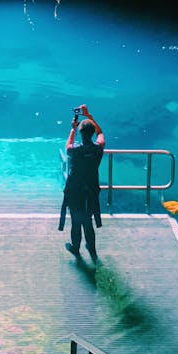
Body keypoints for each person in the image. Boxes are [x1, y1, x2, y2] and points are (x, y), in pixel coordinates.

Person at [59, 103, 104, 263]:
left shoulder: (74, 150)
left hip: (75, 190)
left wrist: (72, 128)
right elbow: (100, 133)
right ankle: (91, 249)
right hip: (91, 190)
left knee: (76, 221)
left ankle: (75, 248)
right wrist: (89, 116)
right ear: (91, 133)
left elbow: (67, 145)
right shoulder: (98, 148)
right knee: (88, 221)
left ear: (79, 132)